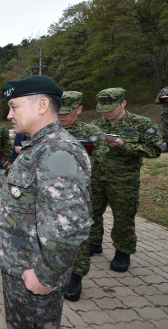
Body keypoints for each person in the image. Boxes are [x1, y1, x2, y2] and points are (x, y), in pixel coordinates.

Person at [0, 75, 93, 328]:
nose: (9, 115)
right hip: (20, 263)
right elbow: (22, 183)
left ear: (42, 106)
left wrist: (46, 277)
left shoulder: (58, 151)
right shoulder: (39, 146)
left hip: (34, 271)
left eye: (14, 107)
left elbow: (70, 226)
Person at [89, 88, 161, 272]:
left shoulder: (141, 123)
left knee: (123, 218)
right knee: (91, 213)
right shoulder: (95, 125)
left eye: (111, 107)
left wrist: (124, 145)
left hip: (124, 181)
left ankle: (123, 251)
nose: (107, 112)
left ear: (124, 103)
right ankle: (94, 243)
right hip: (96, 178)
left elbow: (154, 150)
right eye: (103, 108)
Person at [57, 91, 108, 301]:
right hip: (50, 195)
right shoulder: (47, 130)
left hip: (79, 195)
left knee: (78, 237)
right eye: (58, 111)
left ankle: (76, 277)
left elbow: (99, 160)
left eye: (67, 113)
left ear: (79, 109)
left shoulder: (91, 133)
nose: (62, 116)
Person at [155, 87, 168, 152]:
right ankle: (167, 146)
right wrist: (164, 99)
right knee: (165, 130)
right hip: (165, 113)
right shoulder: (163, 90)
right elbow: (156, 101)